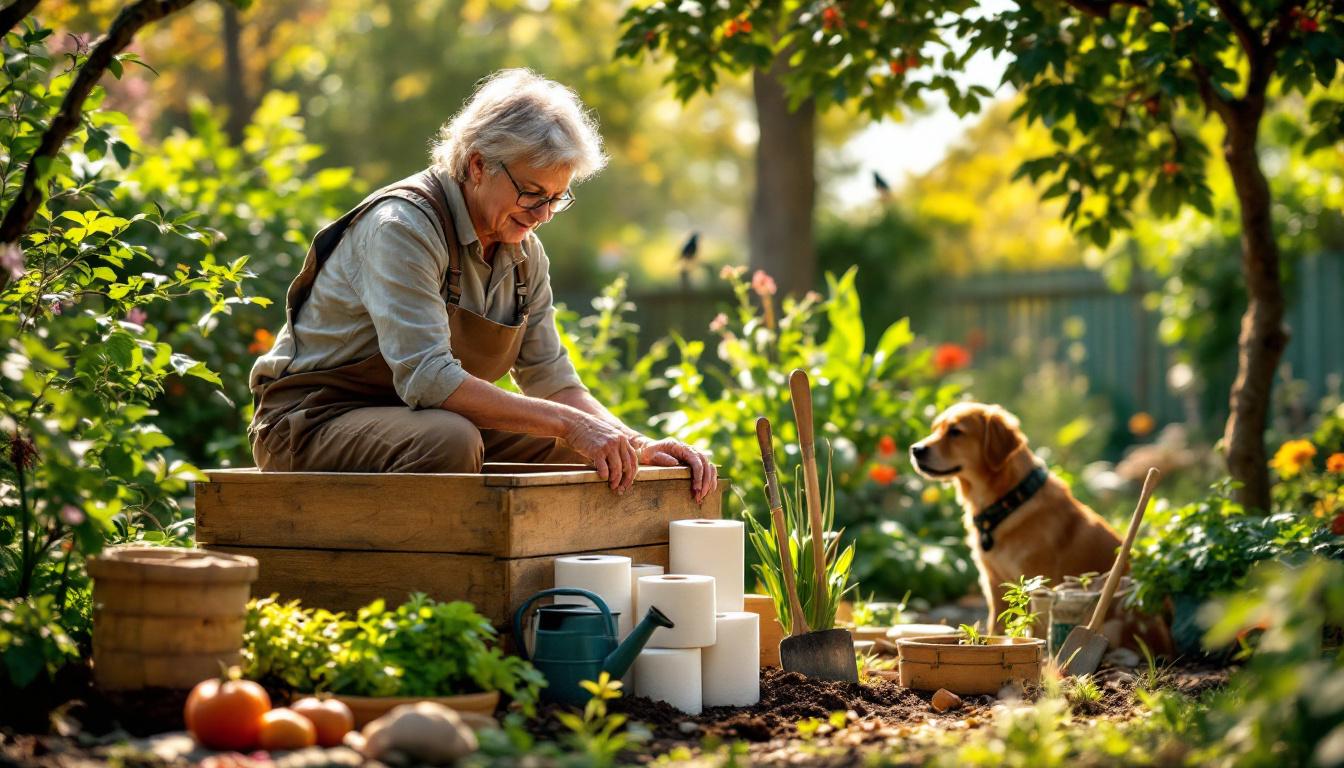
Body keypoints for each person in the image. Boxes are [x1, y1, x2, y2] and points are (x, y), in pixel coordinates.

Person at [248, 69, 717, 502]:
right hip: (311, 423)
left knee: (596, 455)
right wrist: (571, 425)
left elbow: (552, 380)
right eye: (532, 193)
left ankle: (553, 591)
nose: (543, 214)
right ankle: (438, 592)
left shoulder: (524, 253)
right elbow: (428, 379)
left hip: (420, 419)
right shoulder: (403, 227)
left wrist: (635, 443)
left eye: (557, 198)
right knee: (451, 440)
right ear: (477, 166)